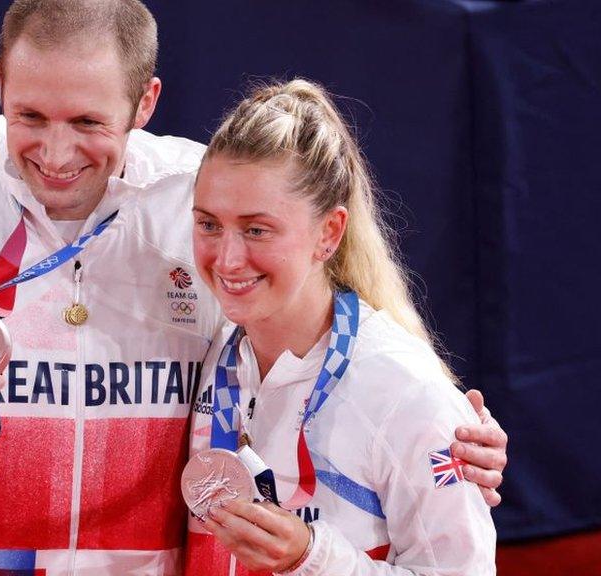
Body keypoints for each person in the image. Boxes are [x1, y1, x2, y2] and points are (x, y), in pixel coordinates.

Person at [0, 2, 507, 574]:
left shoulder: (197, 200)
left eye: (89, 122)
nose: (57, 152)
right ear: (1, 81)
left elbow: (326, 305)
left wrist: (439, 440)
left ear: (145, 101)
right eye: (31, 116)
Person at [184, 79, 496, 575]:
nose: (227, 257)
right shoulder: (210, 348)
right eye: (208, 224)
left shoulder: (403, 389)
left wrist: (313, 559)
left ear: (328, 233)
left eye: (257, 229)